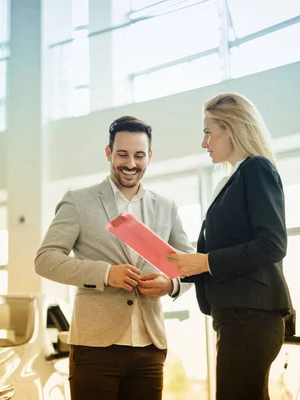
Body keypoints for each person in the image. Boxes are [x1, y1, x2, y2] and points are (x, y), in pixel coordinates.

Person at [35, 116, 193, 400]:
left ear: (149, 157)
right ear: (108, 153)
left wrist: (170, 285)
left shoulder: (166, 207)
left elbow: (188, 265)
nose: (130, 163)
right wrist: (106, 273)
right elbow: (45, 259)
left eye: (139, 155)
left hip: (149, 348)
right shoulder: (78, 201)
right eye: (122, 154)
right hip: (95, 348)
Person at [167, 93, 294, 400]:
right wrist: (174, 277)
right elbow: (218, 259)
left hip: (251, 317)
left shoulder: (256, 169)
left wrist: (206, 261)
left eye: (208, 132)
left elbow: (272, 244)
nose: (204, 143)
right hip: (239, 317)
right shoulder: (234, 179)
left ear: (232, 128)